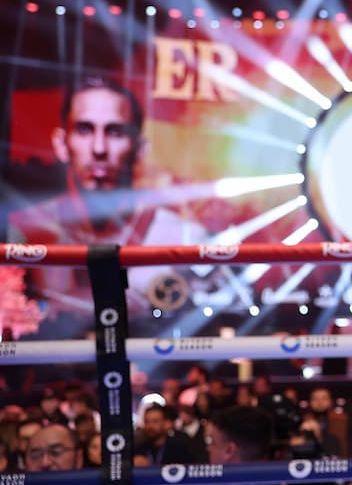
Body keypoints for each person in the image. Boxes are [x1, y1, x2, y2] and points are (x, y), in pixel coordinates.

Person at [6, 75, 207, 327]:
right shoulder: (25, 231)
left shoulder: (180, 236)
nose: (99, 148)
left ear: (140, 148)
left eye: (115, 132)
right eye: (84, 130)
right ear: (61, 144)